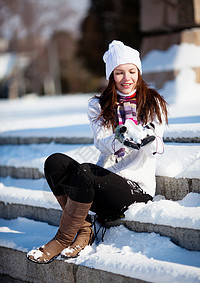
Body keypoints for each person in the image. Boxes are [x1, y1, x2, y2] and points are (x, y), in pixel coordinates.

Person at [27, 40, 168, 264]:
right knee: (55, 162)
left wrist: (146, 139)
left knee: (85, 172)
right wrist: (120, 137)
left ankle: (62, 239)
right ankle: (84, 230)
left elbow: (157, 147)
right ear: (111, 76)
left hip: (135, 189)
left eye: (132, 71)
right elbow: (102, 143)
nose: (127, 78)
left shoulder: (153, 103)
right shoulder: (98, 105)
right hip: (103, 182)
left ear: (139, 73)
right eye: (119, 72)